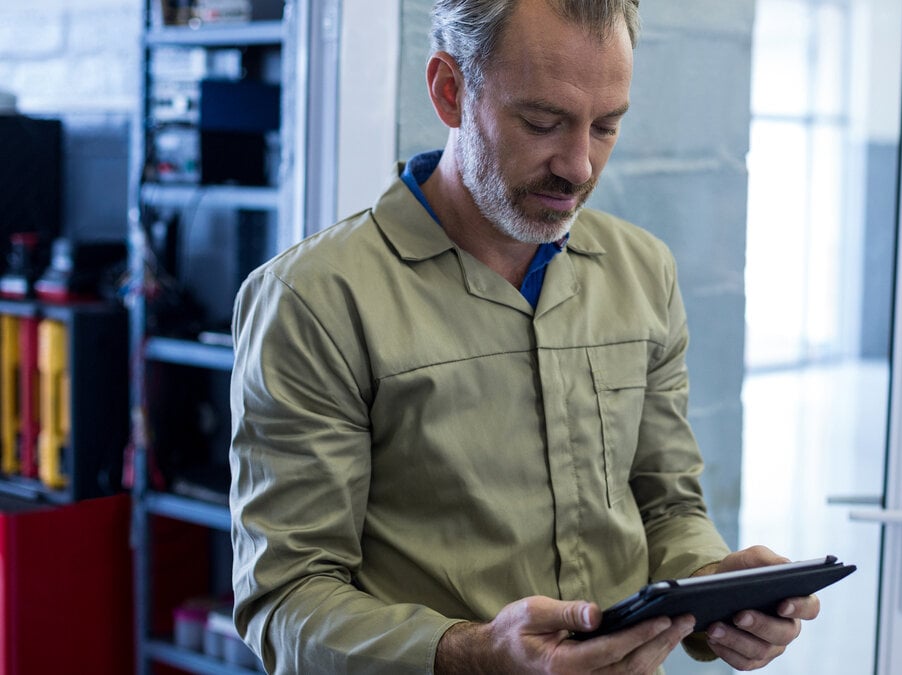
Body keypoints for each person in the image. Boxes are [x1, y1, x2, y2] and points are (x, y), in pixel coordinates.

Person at [229, 0, 820, 672]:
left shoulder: (643, 270)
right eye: (543, 122)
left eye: (607, 127)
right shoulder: (314, 299)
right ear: (450, 91)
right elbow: (284, 600)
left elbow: (667, 503)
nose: (579, 166)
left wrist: (718, 592)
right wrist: (469, 655)